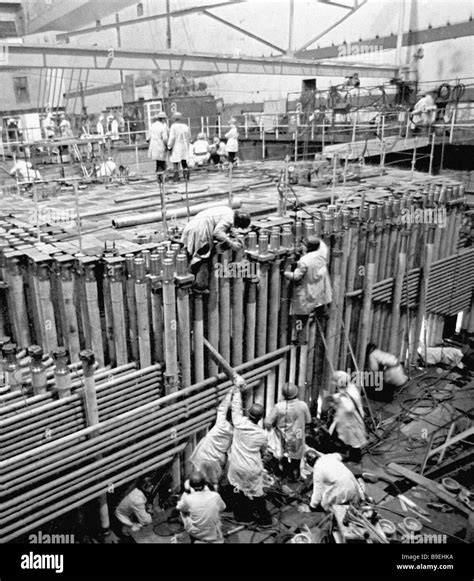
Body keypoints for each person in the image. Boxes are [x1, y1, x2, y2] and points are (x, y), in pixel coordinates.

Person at [227, 386, 272, 526]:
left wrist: (236, 390)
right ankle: (265, 520)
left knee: (239, 490)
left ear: (249, 414)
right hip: (252, 467)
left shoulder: (239, 423)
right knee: (257, 493)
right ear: (260, 418)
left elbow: (236, 408)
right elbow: (265, 451)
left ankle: (242, 516)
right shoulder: (262, 434)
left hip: (236, 466)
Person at [181, 206, 251, 290]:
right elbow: (217, 232)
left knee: (192, 254)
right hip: (200, 229)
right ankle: (198, 284)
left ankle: (190, 277)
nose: (237, 228)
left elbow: (225, 226)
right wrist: (231, 243)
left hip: (193, 225)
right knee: (202, 256)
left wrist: (236, 236)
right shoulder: (229, 219)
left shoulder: (229, 211)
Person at [189, 386, 234, 490]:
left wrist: (230, 392)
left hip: (201, 454)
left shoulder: (221, 424)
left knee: (198, 479)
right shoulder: (235, 433)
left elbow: (222, 408)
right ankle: (214, 500)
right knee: (214, 482)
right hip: (213, 460)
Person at [264, 383, 311, 481]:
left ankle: (284, 473)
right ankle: (295, 473)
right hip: (298, 434)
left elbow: (267, 422)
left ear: (283, 394)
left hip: (283, 435)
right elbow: (308, 420)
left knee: (283, 453)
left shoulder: (279, 407)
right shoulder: (303, 405)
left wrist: (272, 428)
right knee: (297, 453)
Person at [284, 236, 332, 319]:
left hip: (308, 290)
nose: (302, 246)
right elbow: (322, 244)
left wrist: (285, 273)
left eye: (304, 245)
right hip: (319, 287)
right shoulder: (321, 254)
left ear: (308, 247)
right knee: (319, 301)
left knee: (303, 313)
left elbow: (296, 276)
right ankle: (323, 313)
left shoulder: (304, 261)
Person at [176, 470, 226, 543]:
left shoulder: (188, 498)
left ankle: (192, 533)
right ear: (204, 485)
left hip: (196, 532)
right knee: (215, 509)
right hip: (213, 532)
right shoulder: (215, 496)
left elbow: (179, 507)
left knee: (182, 510)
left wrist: (185, 494)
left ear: (190, 486)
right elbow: (222, 508)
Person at [329, 371, 367, 463]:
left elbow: (349, 408)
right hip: (347, 420)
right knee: (349, 438)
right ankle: (351, 454)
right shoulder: (349, 388)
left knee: (354, 440)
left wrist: (339, 400)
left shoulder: (351, 392)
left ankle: (355, 459)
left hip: (353, 420)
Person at [167, 112, 191, 182]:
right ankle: (186, 176)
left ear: (174, 118)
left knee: (175, 162)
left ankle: (176, 177)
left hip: (176, 146)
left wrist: (169, 146)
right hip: (185, 146)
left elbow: (172, 138)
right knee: (184, 161)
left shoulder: (173, 126)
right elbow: (189, 137)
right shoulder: (185, 126)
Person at [147, 112, 168, 182]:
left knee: (158, 162)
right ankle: (161, 178)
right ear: (163, 119)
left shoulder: (152, 126)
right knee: (161, 163)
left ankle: (159, 177)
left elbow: (148, 137)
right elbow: (165, 138)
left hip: (153, 146)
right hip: (160, 146)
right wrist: (167, 145)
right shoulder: (163, 126)